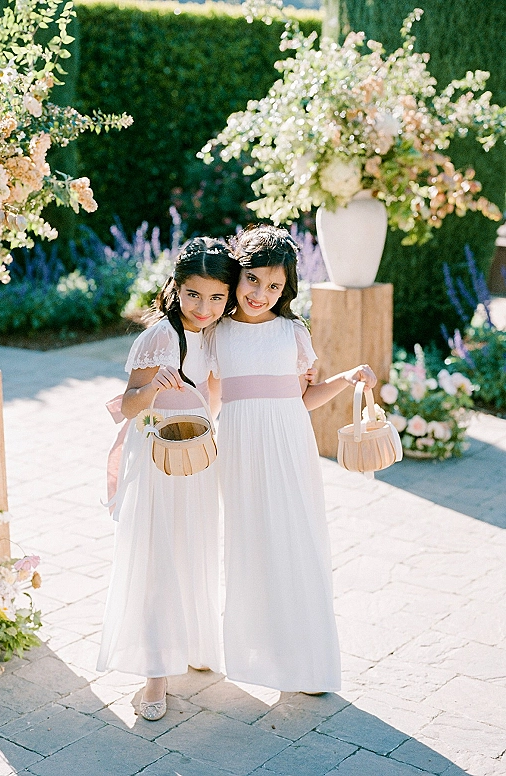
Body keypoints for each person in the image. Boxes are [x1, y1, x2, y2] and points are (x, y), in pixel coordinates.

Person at [208, 224, 376, 693]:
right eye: (253, 280)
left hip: (289, 446)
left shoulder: (292, 332)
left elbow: (301, 398)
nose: (261, 293)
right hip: (239, 449)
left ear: (287, 289)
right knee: (250, 545)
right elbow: (211, 398)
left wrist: (344, 378)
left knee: (296, 539)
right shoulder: (217, 332)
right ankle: (258, 655)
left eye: (274, 285)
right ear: (237, 275)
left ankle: (307, 660)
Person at [97, 237, 239, 721]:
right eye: (195, 295)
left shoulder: (216, 334)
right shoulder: (159, 337)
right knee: (160, 555)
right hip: (158, 458)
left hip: (194, 456)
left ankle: (193, 642)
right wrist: (153, 388)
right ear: (176, 289)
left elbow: (213, 398)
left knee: (192, 548)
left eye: (217, 297)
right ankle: (156, 674)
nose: (205, 307)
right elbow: (127, 406)